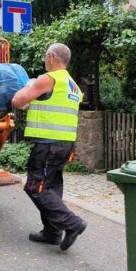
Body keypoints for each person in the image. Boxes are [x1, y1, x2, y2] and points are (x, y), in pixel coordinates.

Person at [11, 43, 87, 251]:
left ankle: (73, 223)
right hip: (65, 144)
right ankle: (52, 233)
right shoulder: (73, 86)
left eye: (46, 56)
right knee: (51, 187)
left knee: (35, 186)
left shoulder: (48, 79)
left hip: (48, 144)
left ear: (52, 57)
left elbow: (17, 101)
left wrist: (29, 85)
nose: (45, 60)